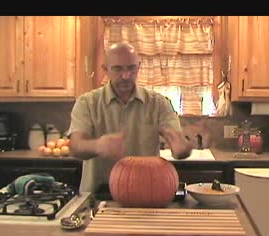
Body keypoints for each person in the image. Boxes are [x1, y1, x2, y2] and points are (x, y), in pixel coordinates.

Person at [67, 42, 192, 192]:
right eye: (118, 69)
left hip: (146, 194)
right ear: (105, 69)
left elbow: (178, 143)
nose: (126, 76)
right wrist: (98, 145)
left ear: (138, 67)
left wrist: (182, 148)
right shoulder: (87, 103)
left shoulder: (158, 103)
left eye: (131, 68)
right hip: (97, 196)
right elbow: (75, 146)